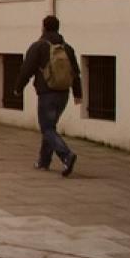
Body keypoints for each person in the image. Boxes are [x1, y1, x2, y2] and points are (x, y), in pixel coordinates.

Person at [12, 15, 83, 177]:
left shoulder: (39, 46)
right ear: (58, 28)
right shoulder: (67, 48)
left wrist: (18, 88)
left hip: (47, 94)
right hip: (63, 94)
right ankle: (44, 161)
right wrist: (78, 94)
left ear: (43, 27)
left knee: (47, 128)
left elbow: (26, 69)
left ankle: (66, 155)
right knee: (50, 127)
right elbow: (75, 72)